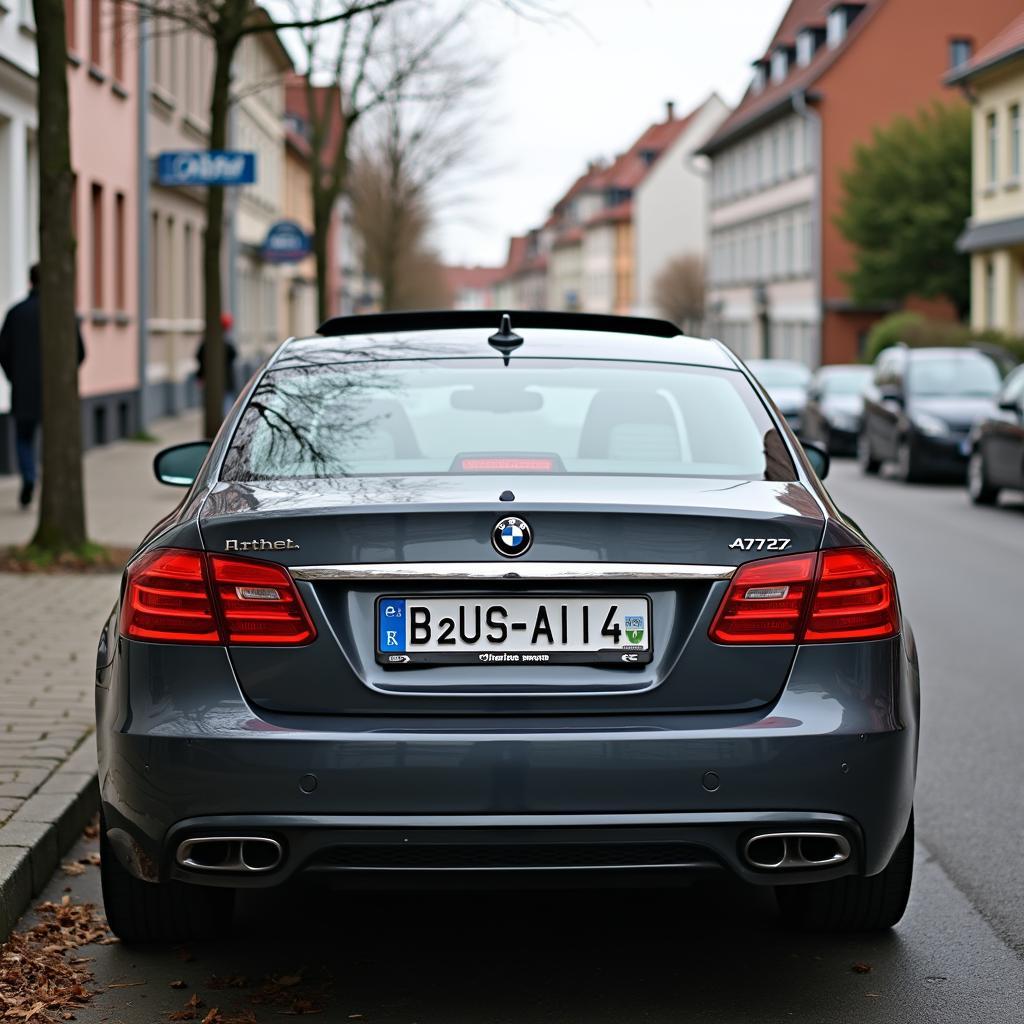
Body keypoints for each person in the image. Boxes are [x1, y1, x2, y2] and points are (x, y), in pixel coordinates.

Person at [0, 265, 85, 509]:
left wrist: (14, 376)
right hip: (56, 394)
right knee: (55, 441)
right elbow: (79, 352)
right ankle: (55, 487)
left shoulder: (16, 313)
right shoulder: (63, 314)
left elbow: (2, 350)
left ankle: (28, 476)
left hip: (23, 388)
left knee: (23, 438)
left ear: (30, 281)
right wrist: (64, 379)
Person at [195, 312, 239, 415]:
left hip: (219, 384)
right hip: (225, 384)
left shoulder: (208, 342)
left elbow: (199, 357)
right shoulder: (226, 344)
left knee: (221, 409)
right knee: (226, 411)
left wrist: (200, 376)